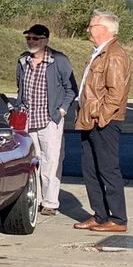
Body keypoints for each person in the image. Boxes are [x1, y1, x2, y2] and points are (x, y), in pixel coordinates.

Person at [74, 10, 132, 233]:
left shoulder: (114, 55)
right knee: (90, 169)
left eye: (91, 26)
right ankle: (100, 215)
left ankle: (118, 219)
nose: (88, 30)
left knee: (108, 169)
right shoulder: (99, 52)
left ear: (105, 29)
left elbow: (116, 93)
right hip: (89, 119)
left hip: (104, 121)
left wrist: (101, 117)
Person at [15, 23, 78, 216]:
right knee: (32, 161)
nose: (31, 41)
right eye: (28, 38)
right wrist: (19, 109)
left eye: (36, 38)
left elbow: (71, 89)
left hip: (49, 119)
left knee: (51, 160)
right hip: (28, 119)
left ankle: (50, 202)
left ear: (45, 40)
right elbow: (20, 87)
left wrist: (61, 110)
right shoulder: (23, 60)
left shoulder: (58, 60)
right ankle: (36, 199)